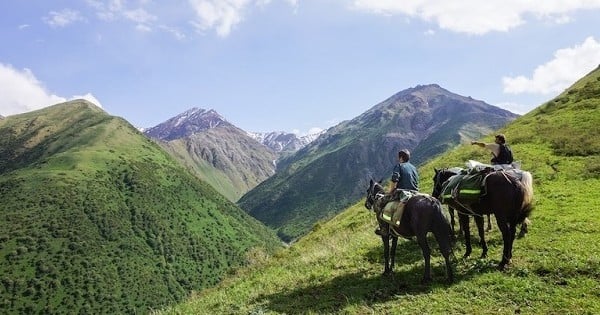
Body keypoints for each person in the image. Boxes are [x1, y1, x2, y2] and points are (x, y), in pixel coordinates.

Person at [375, 149, 420, 236]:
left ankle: (384, 229)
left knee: (379, 203)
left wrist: (390, 191)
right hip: (415, 192)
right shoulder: (413, 167)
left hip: (402, 192)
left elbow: (395, 179)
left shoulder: (399, 166)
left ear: (401, 158)